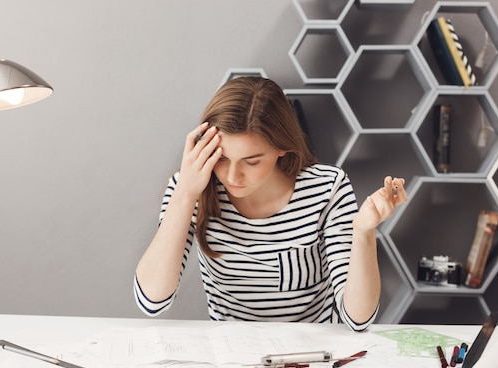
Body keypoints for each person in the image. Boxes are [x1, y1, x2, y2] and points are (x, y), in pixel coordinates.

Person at [134, 76, 407, 331]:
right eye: (222, 158)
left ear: (282, 147)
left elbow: (358, 320)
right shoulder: (190, 188)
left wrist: (363, 232)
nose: (232, 176)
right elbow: (152, 302)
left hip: (315, 355)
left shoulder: (328, 188)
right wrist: (184, 194)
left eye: (251, 161)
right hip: (232, 356)